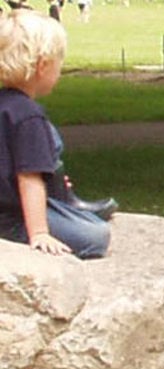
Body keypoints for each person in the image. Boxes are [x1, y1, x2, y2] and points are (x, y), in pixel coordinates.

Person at [0, 9, 110, 259]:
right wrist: (39, 232)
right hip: (11, 218)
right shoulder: (29, 117)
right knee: (96, 235)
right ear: (43, 65)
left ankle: (64, 200)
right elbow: (29, 178)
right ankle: (59, 211)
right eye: (60, 61)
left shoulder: (5, 106)